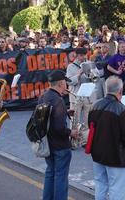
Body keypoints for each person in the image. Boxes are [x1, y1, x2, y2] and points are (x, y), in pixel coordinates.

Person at [88, 76, 125, 200]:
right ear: (120, 91)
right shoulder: (121, 109)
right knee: (117, 188)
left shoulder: (95, 105)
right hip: (115, 155)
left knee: (100, 185)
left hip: (97, 154)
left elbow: (90, 127)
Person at [38, 70, 78, 200]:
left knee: (50, 173)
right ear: (61, 83)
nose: (66, 85)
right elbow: (59, 128)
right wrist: (71, 132)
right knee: (61, 176)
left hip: (47, 143)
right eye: (65, 82)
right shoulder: (58, 100)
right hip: (60, 145)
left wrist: (65, 112)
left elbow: (47, 118)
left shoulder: (44, 96)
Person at [66, 48, 92, 149]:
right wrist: (79, 73)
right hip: (75, 96)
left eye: (84, 55)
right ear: (76, 55)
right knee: (74, 121)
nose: (83, 57)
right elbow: (69, 81)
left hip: (86, 96)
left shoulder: (88, 64)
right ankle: (73, 142)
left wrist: (90, 74)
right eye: (81, 55)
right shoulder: (71, 66)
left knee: (86, 120)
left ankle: (84, 141)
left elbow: (94, 78)